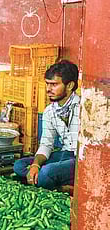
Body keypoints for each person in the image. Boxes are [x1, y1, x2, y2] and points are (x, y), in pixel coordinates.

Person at [13, 60, 80, 190]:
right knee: (19, 165)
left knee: (47, 173)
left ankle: (58, 185)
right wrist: (35, 166)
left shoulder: (83, 108)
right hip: (63, 154)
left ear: (70, 85)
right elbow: (46, 144)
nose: (48, 89)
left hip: (80, 160)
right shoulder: (50, 111)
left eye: (54, 85)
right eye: (47, 84)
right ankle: (60, 185)